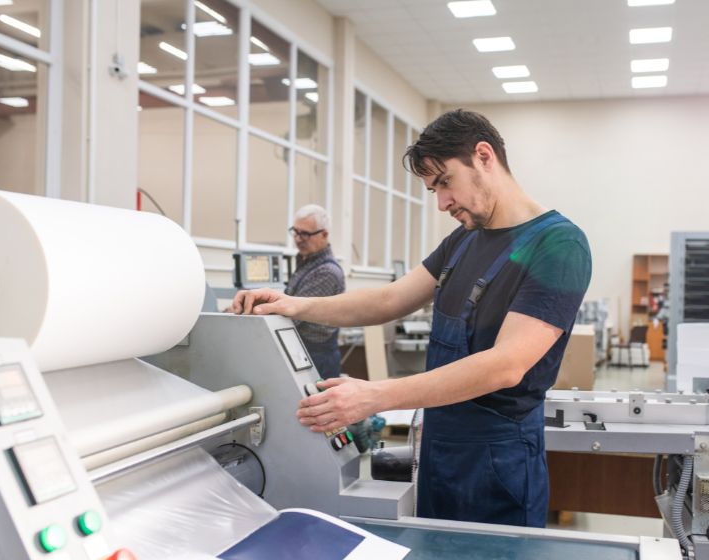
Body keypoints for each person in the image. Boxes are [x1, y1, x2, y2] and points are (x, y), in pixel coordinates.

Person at [231, 109, 592, 528]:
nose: (442, 203)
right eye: (432, 189)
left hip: (498, 461)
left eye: (444, 182)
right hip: (439, 448)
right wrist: (293, 304)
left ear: (483, 156)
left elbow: (506, 365)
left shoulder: (558, 245)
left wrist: (375, 395)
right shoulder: (463, 240)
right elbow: (390, 299)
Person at [284, 204, 345, 379]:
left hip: (317, 358)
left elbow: (294, 315)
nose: (298, 238)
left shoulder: (326, 272)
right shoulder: (305, 262)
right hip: (303, 352)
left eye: (305, 234)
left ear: (324, 234)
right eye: (295, 231)